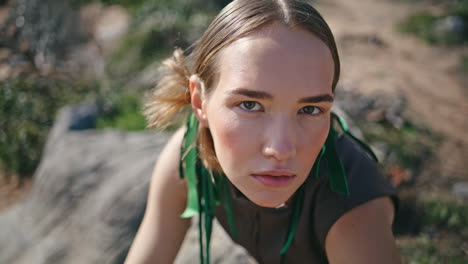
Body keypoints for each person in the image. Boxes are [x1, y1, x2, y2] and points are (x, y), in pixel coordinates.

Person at [124, 0, 401, 263]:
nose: (280, 150)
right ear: (199, 102)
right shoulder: (188, 158)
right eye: (250, 105)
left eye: (310, 109)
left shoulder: (354, 214)